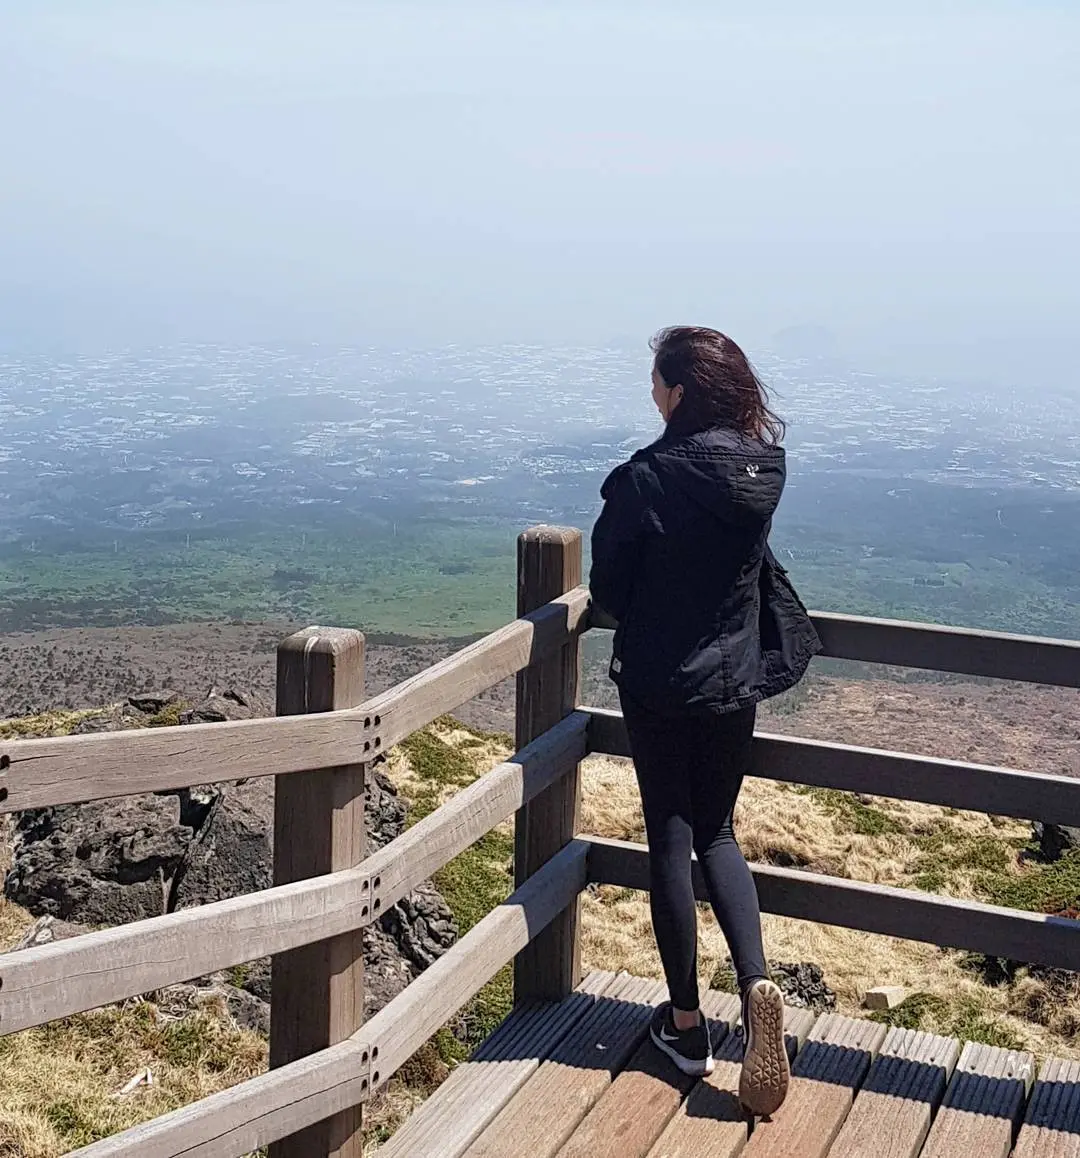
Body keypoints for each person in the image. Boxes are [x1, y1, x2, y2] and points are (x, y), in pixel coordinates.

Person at [589, 326, 820, 1117]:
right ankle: (756, 980)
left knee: (672, 839)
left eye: (656, 381)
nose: (650, 392)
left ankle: (687, 1029)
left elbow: (611, 591)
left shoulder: (646, 480)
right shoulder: (764, 472)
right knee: (721, 832)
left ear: (679, 391)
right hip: (734, 686)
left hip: (659, 685)